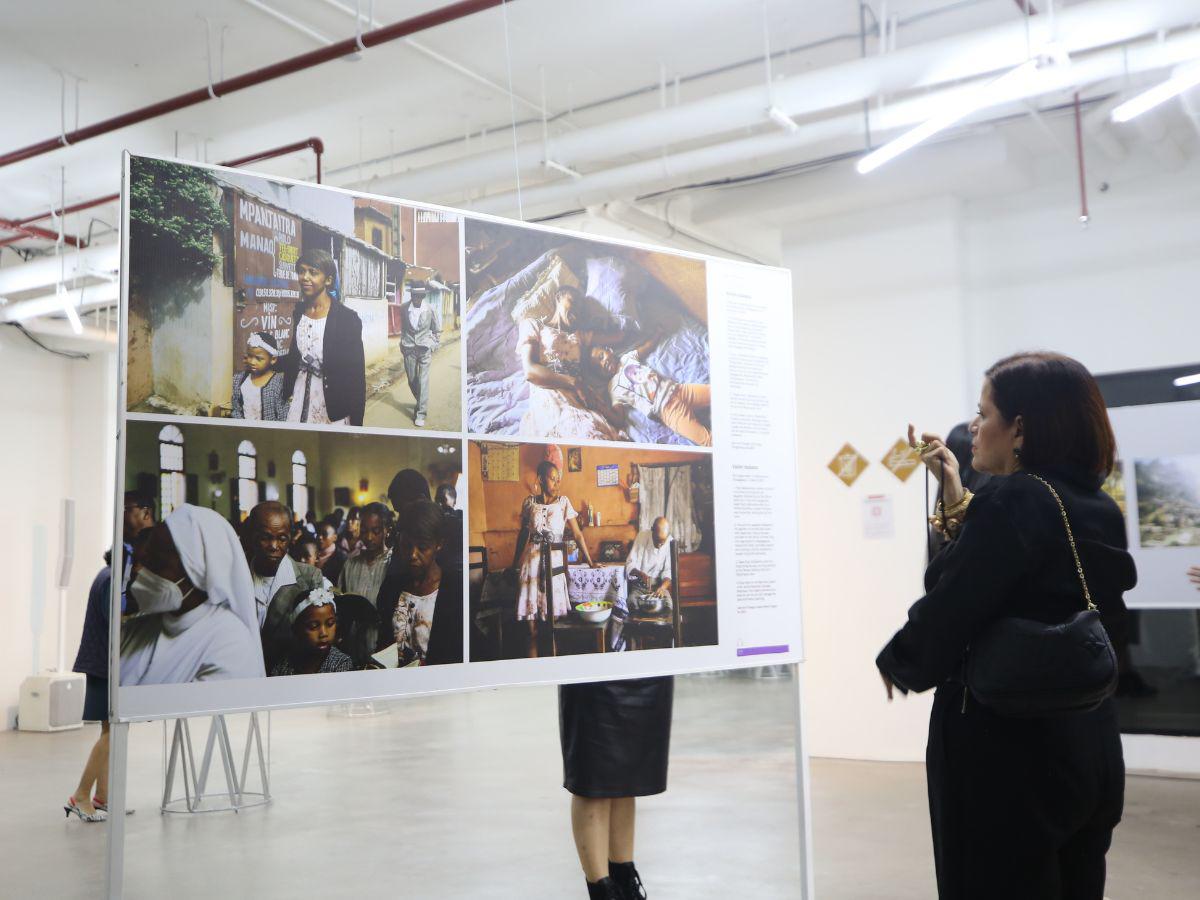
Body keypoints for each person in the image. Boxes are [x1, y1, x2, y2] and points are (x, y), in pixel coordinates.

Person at [876, 351, 1136, 900]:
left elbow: (952, 599)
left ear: (1020, 428)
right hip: (1087, 743)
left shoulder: (1013, 499)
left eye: (984, 412)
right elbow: (1016, 577)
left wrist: (899, 661)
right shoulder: (1095, 505)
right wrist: (955, 490)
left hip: (1008, 750)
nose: (973, 426)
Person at [65, 492, 156, 822]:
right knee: (111, 733)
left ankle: (103, 796)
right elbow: (115, 621)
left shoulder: (111, 577)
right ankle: (80, 795)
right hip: (106, 665)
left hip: (109, 663)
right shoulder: (110, 580)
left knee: (113, 730)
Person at [121, 504, 266, 685]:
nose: (142, 572)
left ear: (197, 573)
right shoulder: (137, 629)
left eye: (157, 562)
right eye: (145, 559)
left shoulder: (230, 644)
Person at [560, 674, 674, 899]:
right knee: (592, 778)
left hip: (645, 661)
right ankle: (602, 891)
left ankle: (625, 883)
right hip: (591, 661)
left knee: (626, 775)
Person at [510, 460, 598, 658]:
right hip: (531, 567)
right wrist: (514, 564)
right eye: (553, 479)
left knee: (553, 629)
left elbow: (578, 535)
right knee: (530, 632)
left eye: (559, 480)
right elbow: (523, 535)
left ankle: (553, 671)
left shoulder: (564, 503)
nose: (557, 484)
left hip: (554, 568)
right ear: (541, 479)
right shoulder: (529, 503)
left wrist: (591, 562)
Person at [518, 285, 625, 441]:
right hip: (551, 393)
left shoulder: (579, 336)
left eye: (581, 309)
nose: (577, 310)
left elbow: (619, 337)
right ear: (558, 298)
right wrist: (574, 382)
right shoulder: (534, 325)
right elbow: (531, 372)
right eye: (573, 302)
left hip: (581, 398)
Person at [282, 248, 366, 426]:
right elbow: (295, 356)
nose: (305, 277)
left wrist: (357, 425)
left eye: (313, 272)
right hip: (299, 400)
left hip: (331, 406)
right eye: (301, 271)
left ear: (328, 280)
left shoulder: (347, 319)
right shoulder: (299, 312)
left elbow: (356, 376)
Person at [375, 500, 463, 666]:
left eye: (422, 547)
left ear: (439, 544)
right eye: (406, 546)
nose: (412, 555)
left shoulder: (454, 590)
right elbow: (383, 642)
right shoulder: (392, 586)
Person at [246, 501, 329, 672]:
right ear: (251, 537)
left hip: (290, 676)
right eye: (265, 537)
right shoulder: (237, 576)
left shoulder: (309, 578)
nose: (274, 546)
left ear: (291, 538)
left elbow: (316, 643)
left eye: (282, 538)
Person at [585, 341, 712, 447]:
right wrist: (599, 406)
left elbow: (645, 348)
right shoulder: (612, 387)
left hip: (679, 390)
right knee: (707, 440)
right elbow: (618, 418)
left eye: (601, 356)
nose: (603, 364)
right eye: (598, 368)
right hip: (668, 411)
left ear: (609, 350)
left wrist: (657, 334)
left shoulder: (627, 358)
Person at [269, 586, 355, 676]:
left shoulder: (342, 664)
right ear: (296, 629)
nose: (324, 633)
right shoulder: (284, 663)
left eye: (330, 624)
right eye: (313, 626)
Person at [399, 281, 442, 427]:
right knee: (412, 380)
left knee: (423, 381)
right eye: (415, 296)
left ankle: (421, 413)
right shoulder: (404, 308)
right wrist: (402, 343)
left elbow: (437, 330)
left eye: (420, 296)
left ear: (423, 296)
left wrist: (433, 344)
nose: (417, 299)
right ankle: (421, 401)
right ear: (412, 295)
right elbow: (403, 328)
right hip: (409, 349)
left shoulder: (430, 309)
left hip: (424, 349)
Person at [338, 502, 392, 606]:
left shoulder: (392, 564)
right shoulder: (351, 564)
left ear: (387, 531)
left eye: (376, 531)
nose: (369, 537)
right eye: (363, 531)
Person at [231, 331, 288, 420]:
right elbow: (236, 409)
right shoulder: (239, 380)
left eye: (259, 358)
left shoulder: (278, 383)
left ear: (273, 359)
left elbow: (282, 415)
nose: (252, 362)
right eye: (250, 356)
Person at [315, 521, 347, 586]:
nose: (320, 537)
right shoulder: (312, 552)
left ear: (335, 537)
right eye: (318, 533)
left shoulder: (342, 559)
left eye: (324, 534)